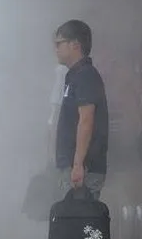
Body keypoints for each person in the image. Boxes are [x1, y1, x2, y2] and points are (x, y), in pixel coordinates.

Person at [54, 20, 109, 199]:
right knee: (70, 222)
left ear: (75, 45)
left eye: (59, 43)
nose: (56, 49)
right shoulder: (74, 76)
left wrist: (78, 164)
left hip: (83, 170)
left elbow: (86, 120)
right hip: (73, 167)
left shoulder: (86, 76)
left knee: (78, 221)